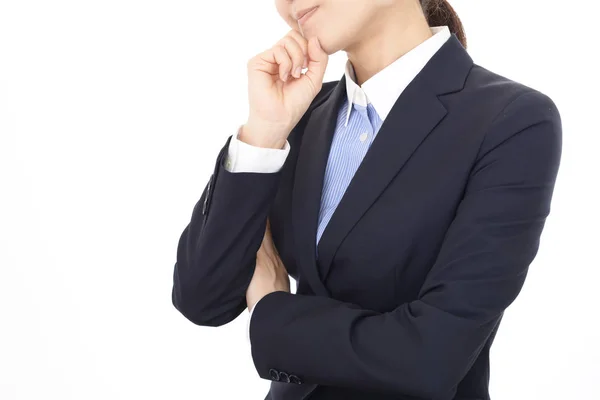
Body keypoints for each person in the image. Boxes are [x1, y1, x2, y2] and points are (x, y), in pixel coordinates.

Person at [171, 0, 562, 399]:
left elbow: (432, 357)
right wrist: (262, 134)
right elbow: (203, 297)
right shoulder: (299, 114)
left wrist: (273, 309)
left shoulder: (511, 121)